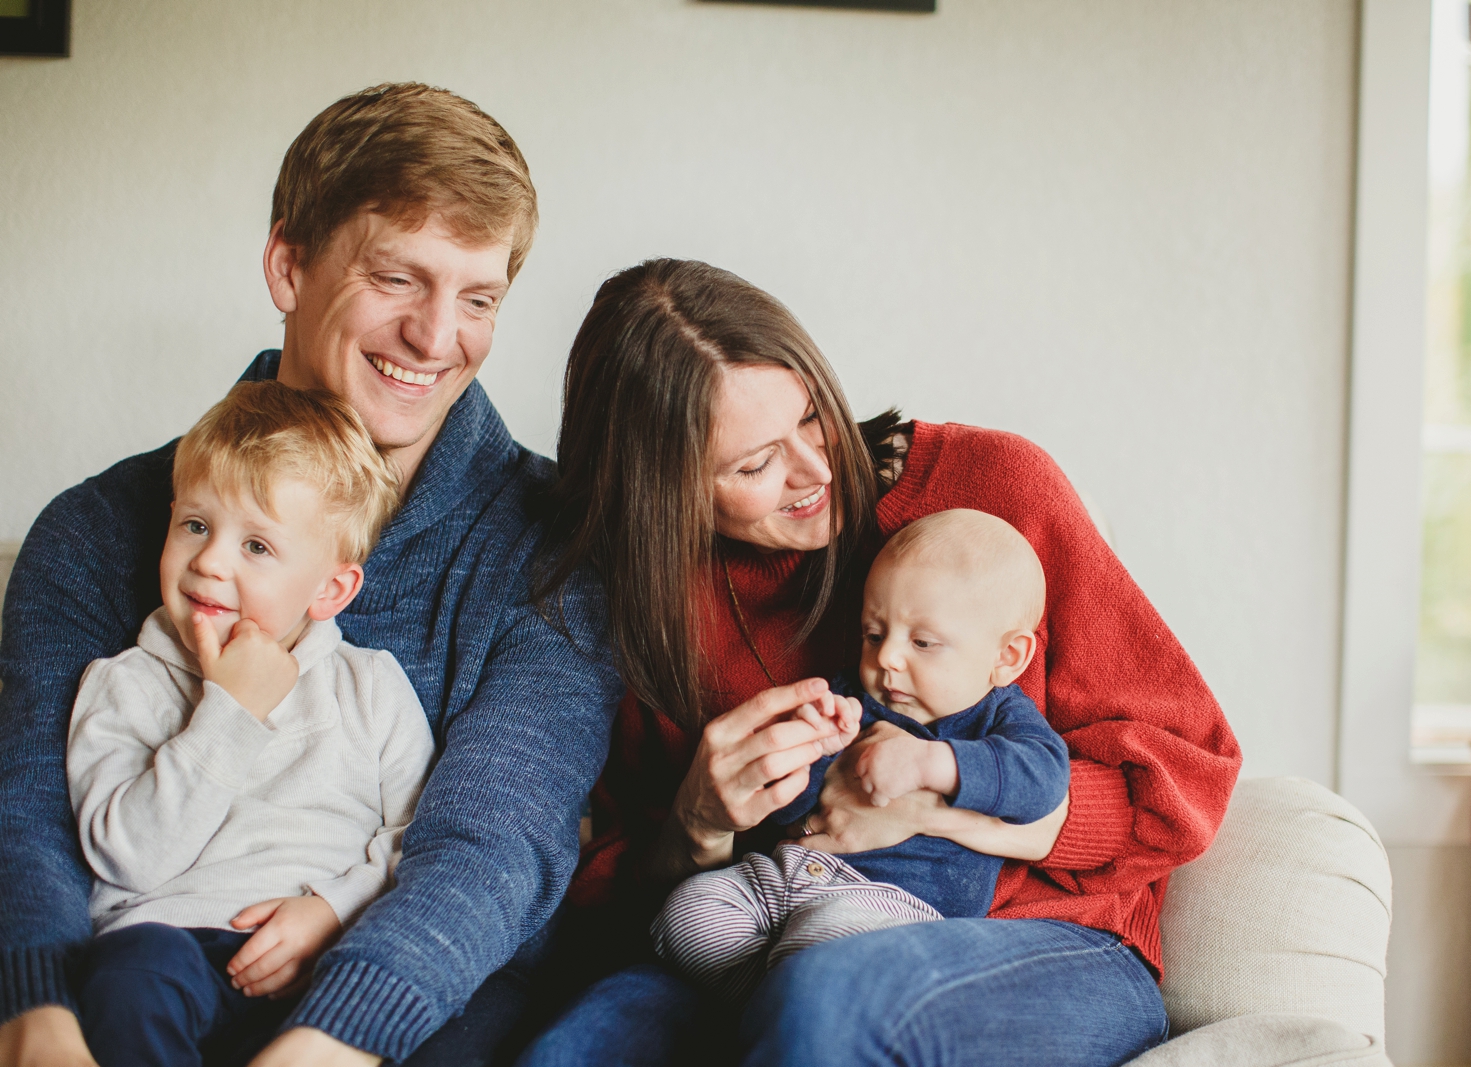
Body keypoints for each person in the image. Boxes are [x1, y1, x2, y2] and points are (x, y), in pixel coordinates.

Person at [0, 84, 622, 1067]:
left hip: (426, 1003)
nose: (433, 336)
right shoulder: (101, 526)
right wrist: (34, 1010)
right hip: (139, 981)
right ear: (289, 265)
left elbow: (496, 837)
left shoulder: (555, 546)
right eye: (396, 278)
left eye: (478, 297)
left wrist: (331, 1037)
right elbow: (28, 792)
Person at [517, 258, 1243, 1067]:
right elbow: (604, 888)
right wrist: (699, 822)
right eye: (754, 465)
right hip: (775, 917)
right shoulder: (640, 597)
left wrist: (930, 806)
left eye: (812, 418)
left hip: (1044, 941)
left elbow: (1190, 781)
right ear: (663, 491)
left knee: (824, 995)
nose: (817, 472)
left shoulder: (993, 488)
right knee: (570, 1050)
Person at [67, 382, 434, 1067]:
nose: (210, 561)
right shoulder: (123, 685)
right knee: (128, 976)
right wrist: (229, 712)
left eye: (257, 546)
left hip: (317, 962)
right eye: (196, 525)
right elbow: (126, 856)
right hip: (164, 950)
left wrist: (332, 909)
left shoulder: (371, 686)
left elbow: (419, 839)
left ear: (331, 589)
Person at [652, 509, 1070, 1003]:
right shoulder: (848, 697)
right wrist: (808, 752)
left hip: (885, 909)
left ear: (1007, 658)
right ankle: (761, 1006)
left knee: (819, 959)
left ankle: (786, 1003)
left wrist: (932, 764)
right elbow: (789, 814)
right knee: (686, 914)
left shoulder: (1001, 719)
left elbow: (1042, 783)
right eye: (874, 634)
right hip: (782, 874)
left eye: (922, 642)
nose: (886, 657)